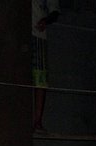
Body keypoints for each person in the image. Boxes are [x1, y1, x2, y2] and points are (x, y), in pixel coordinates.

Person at [32, 0, 60, 132]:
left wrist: (46, 20)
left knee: (40, 80)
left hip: (38, 35)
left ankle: (37, 122)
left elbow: (55, 12)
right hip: (15, 36)